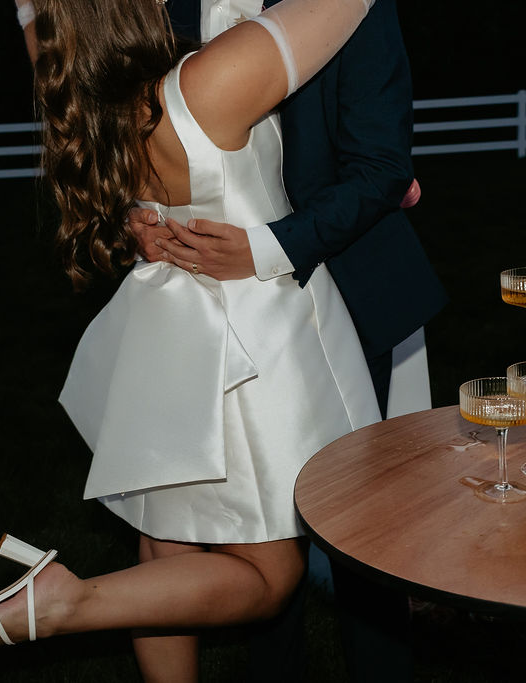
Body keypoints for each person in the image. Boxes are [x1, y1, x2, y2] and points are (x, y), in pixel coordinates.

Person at [0, 0, 394, 680]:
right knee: (271, 578)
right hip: (252, 338)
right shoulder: (208, 81)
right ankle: (70, 599)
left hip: (160, 325)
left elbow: (38, 24)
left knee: (165, 550)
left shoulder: (82, 90)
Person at [132, 2, 447, 681]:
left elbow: (380, 166)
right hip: (208, 307)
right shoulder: (158, 7)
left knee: (369, 534)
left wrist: (267, 248)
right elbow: (133, 130)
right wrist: (139, 216)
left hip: (349, 281)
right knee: (257, 529)